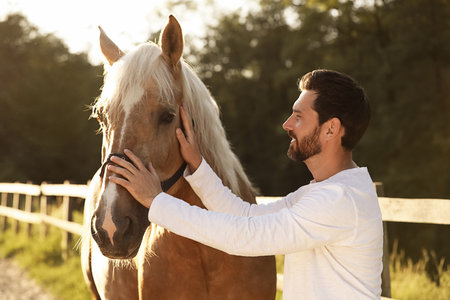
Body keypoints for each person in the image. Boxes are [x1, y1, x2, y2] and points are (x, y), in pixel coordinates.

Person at [108, 69, 383, 299]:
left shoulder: (338, 200)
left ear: (331, 129)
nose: (287, 124)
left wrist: (156, 201)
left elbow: (245, 236)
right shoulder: (322, 192)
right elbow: (245, 215)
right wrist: (199, 166)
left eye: (299, 116)